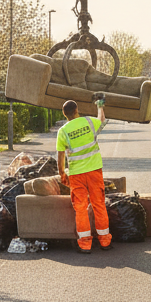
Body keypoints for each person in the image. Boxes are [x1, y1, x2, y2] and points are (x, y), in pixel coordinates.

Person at [57, 97, 110, 253]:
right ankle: (105, 241)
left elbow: (60, 156)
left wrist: (62, 174)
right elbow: (102, 120)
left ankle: (85, 244)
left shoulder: (63, 131)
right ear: (76, 110)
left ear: (64, 114)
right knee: (99, 205)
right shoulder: (89, 122)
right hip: (94, 171)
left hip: (76, 174)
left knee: (80, 208)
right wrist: (100, 106)